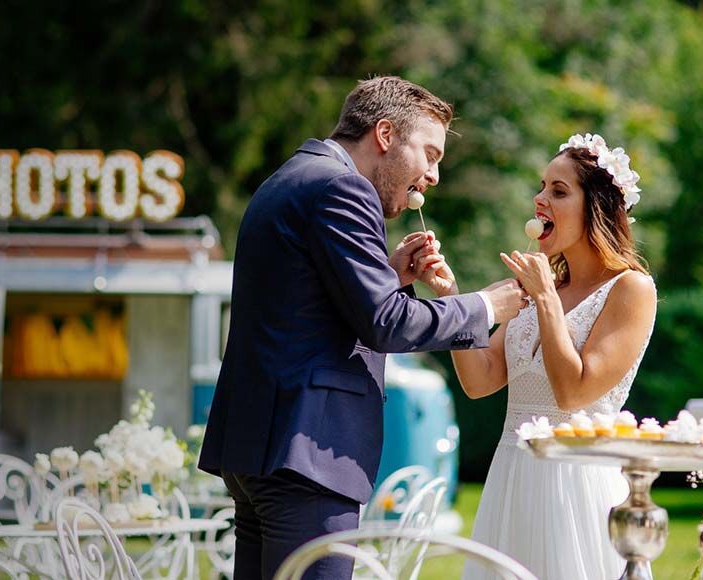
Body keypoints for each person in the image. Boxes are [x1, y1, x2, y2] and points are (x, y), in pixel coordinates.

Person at [197, 76, 527, 580]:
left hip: (259, 450)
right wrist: (485, 305)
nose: (434, 176)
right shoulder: (343, 186)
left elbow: (303, 308)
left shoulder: (291, 176)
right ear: (386, 134)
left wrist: (390, 277)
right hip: (307, 453)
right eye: (431, 154)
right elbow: (388, 324)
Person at [438, 134, 658, 580]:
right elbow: (479, 381)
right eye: (542, 187)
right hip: (512, 479)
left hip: (576, 484)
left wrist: (544, 299)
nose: (539, 199)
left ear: (596, 206)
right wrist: (450, 299)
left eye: (558, 191)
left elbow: (574, 392)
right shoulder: (542, 289)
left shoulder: (630, 290)